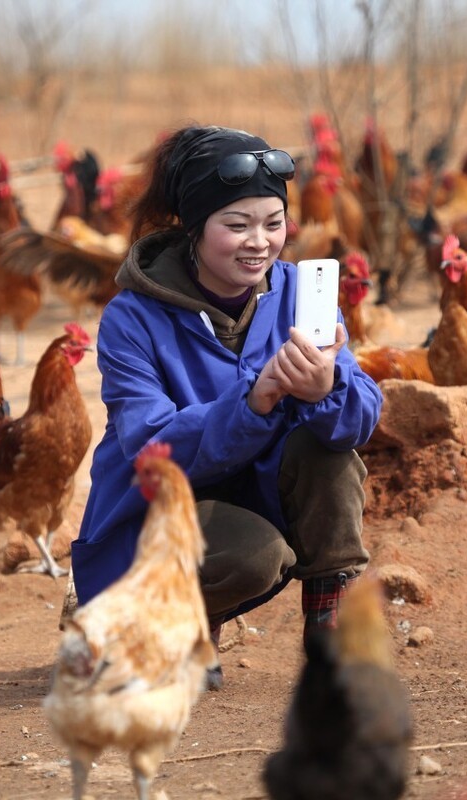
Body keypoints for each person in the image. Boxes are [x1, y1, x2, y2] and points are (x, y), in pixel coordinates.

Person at [71, 125, 382, 685]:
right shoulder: (131, 318)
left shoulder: (300, 292)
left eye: (273, 223)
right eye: (235, 226)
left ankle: (330, 628)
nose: (259, 242)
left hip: (251, 494)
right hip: (158, 512)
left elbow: (363, 417)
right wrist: (254, 398)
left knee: (327, 446)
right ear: (193, 229)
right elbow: (149, 447)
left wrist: (328, 388)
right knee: (253, 556)